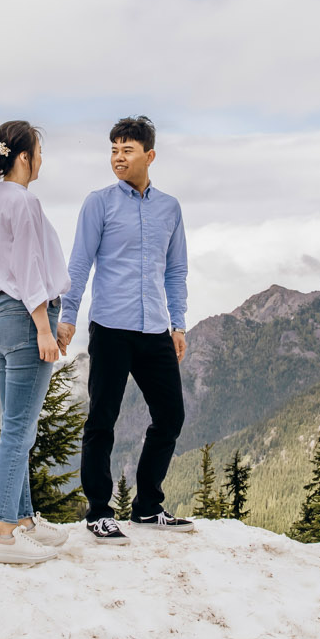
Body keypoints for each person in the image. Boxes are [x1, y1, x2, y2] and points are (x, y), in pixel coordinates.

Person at [56, 115, 195, 543]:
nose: (118, 156)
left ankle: (147, 507)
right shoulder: (98, 203)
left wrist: (178, 323)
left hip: (155, 330)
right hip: (111, 328)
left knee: (170, 416)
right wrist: (68, 315)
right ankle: (99, 511)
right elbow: (79, 264)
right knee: (102, 420)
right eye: (114, 149)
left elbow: (175, 271)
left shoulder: (170, 208)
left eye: (127, 149)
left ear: (149, 155)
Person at [0, 120, 73, 565]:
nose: (42, 160)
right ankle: (3, 535)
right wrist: (43, 326)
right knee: (19, 428)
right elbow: (31, 268)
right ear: (23, 157)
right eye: (38, 151)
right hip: (25, 317)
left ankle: (25, 520)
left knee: (19, 424)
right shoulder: (25, 202)